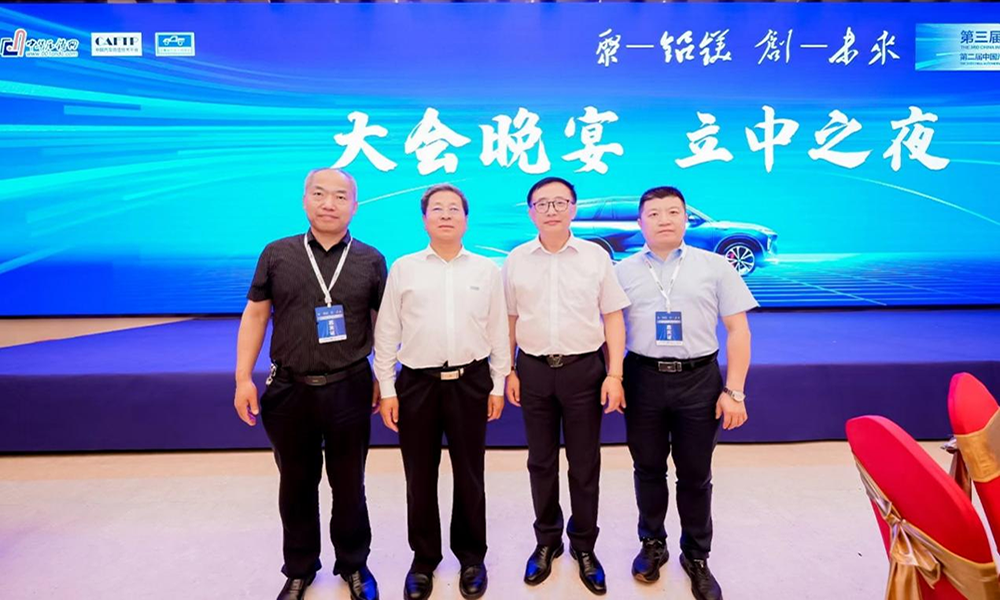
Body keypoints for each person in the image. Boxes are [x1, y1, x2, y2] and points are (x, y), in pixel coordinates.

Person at [234, 168, 385, 600]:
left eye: (339, 196)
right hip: (290, 390)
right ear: (305, 200)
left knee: (349, 484)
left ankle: (354, 564)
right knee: (296, 485)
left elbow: (381, 323)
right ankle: (299, 568)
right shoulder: (277, 253)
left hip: (349, 387)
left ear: (354, 206)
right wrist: (243, 377)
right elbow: (256, 315)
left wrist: (382, 376)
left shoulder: (371, 260)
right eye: (319, 194)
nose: (328, 203)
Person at [614, 186, 756, 600]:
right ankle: (652, 543)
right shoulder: (622, 271)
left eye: (673, 211)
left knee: (695, 473)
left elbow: (738, 330)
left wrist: (735, 391)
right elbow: (611, 328)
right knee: (648, 468)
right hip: (642, 378)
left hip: (699, 380)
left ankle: (696, 554)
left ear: (685, 218)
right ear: (640, 222)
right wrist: (614, 376)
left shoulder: (715, 266)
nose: (664, 219)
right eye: (654, 213)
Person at [374, 184, 510, 600]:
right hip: (417, 384)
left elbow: (498, 330)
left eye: (454, 209)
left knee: (470, 473)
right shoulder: (404, 268)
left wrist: (498, 383)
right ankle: (424, 559)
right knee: (419, 475)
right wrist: (387, 388)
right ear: (425, 219)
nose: (446, 215)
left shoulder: (486, 270)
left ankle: (471, 557)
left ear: (466, 219)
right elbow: (387, 331)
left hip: (471, 382)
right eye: (437, 208)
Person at [502, 176, 630, 596]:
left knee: (584, 462)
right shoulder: (517, 259)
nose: (552, 210)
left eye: (560, 202)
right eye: (542, 203)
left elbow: (613, 316)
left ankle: (585, 545)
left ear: (574, 208)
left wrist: (614, 374)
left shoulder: (595, 256)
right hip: (533, 370)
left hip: (583, 371)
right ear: (531, 212)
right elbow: (509, 319)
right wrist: (509, 370)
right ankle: (547, 541)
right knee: (540, 461)